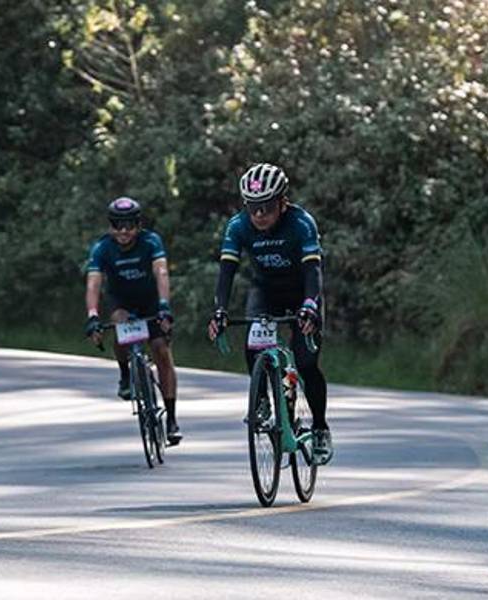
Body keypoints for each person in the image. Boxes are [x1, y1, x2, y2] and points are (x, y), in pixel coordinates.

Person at [206, 163, 332, 463]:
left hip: (302, 292)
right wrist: (220, 311)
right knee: (254, 342)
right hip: (265, 291)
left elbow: (313, 271)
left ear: (282, 203)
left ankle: (319, 428)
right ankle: (261, 399)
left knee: (306, 363)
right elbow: (226, 273)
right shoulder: (238, 227)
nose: (259, 215)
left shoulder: (301, 223)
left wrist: (310, 307)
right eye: (253, 208)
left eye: (266, 207)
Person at [84, 197, 182, 445]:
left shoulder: (151, 241)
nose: (123, 231)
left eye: (129, 225)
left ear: (138, 225)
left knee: (161, 350)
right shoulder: (102, 248)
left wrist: (164, 306)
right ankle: (126, 374)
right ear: (110, 227)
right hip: (122, 301)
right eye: (118, 225)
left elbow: (161, 272)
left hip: (150, 301)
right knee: (120, 325)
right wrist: (93, 316)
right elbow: (94, 283)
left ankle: (171, 419)